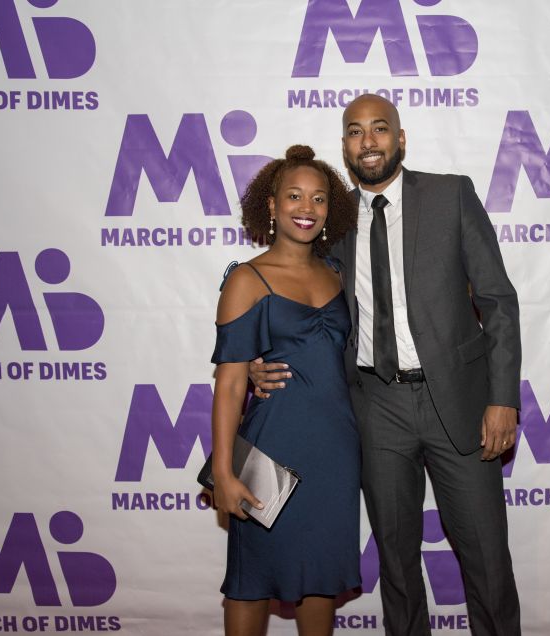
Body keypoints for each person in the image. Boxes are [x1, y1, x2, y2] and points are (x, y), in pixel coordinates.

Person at [253, 95, 522, 635]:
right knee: (396, 565)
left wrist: (503, 399)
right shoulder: (333, 221)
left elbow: (497, 301)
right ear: (345, 145)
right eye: (355, 131)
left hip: (462, 405)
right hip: (376, 407)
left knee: (487, 561)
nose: (368, 141)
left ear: (401, 139)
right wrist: (259, 359)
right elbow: (298, 298)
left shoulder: (451, 195)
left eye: (380, 129)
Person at [210, 144, 360, 636]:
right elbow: (230, 384)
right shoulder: (247, 280)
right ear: (271, 206)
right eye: (294, 196)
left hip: (335, 452)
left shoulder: (337, 272)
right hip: (274, 447)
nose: (306, 208)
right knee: (252, 578)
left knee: (320, 579)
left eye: (318, 199)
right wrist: (226, 471)